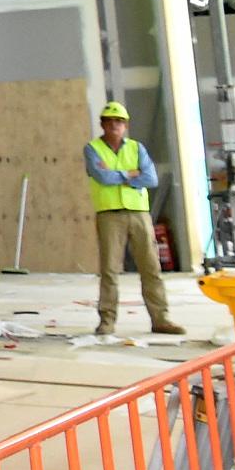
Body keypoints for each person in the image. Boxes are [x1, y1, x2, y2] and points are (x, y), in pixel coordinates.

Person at [86, 100, 178, 337]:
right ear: (103, 124)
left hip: (138, 213)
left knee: (151, 267)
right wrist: (130, 174)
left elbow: (150, 179)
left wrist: (118, 175)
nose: (114, 125)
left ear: (125, 125)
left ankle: (161, 319)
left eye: (119, 121)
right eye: (110, 121)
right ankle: (107, 321)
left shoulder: (137, 148)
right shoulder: (93, 149)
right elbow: (102, 178)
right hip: (109, 215)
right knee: (109, 270)